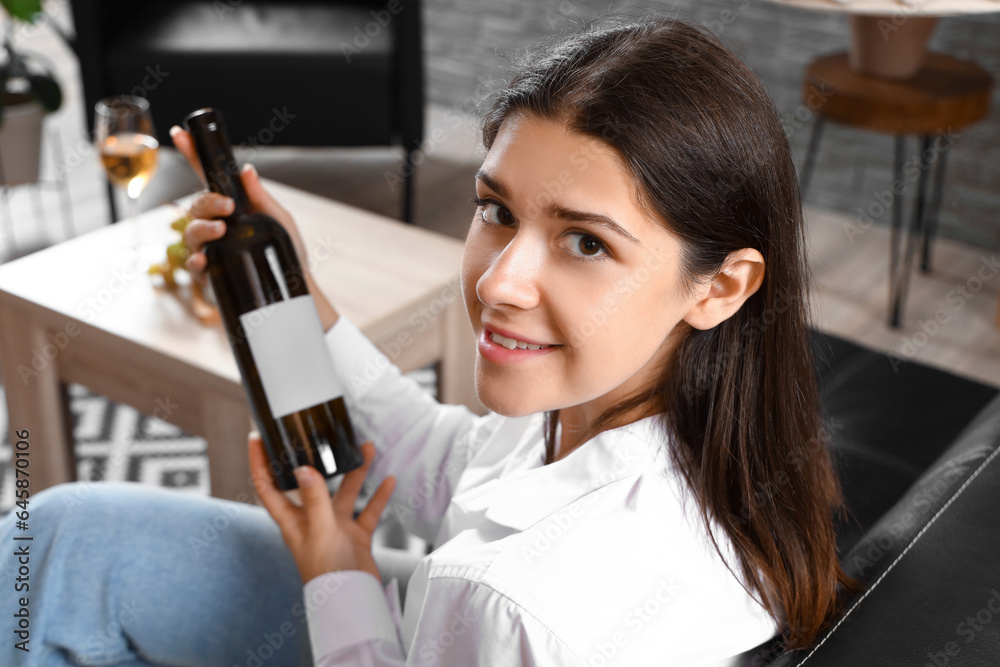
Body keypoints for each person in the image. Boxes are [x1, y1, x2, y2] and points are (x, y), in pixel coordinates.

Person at [0, 14, 857, 666]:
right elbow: (451, 460)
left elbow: (470, 579)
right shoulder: (673, 419)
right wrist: (287, 293)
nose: (498, 282)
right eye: (497, 210)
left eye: (586, 241)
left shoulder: (501, 598)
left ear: (722, 285)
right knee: (68, 534)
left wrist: (338, 573)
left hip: (409, 626)